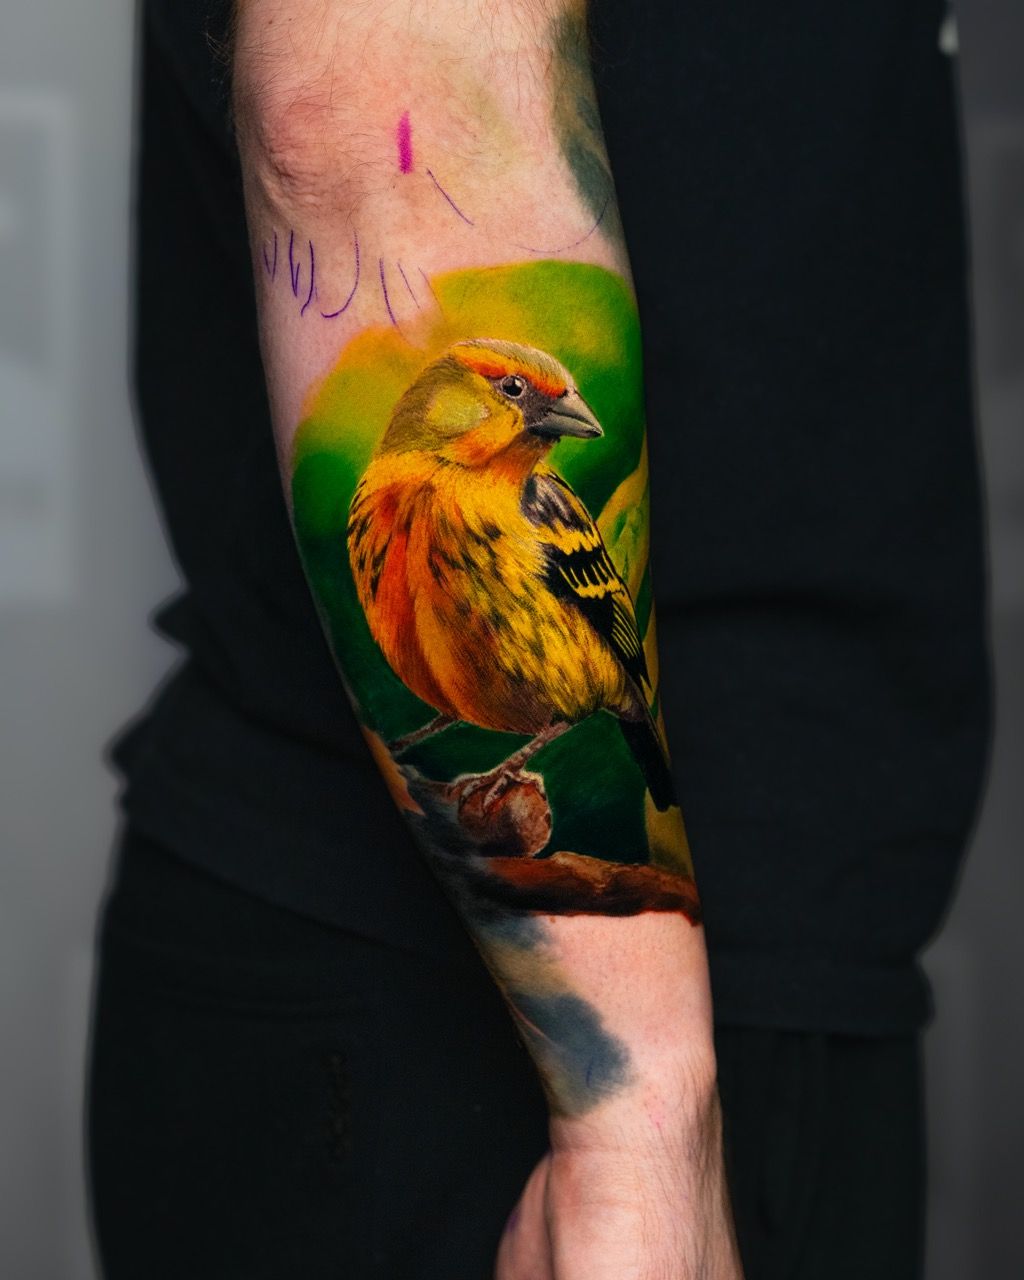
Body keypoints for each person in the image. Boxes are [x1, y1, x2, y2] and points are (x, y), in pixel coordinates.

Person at [86, 0, 990, 1276]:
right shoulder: (445, 498)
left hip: (736, 953)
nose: (549, 419)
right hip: (508, 1022)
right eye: (520, 394)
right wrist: (634, 1117)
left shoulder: (510, 494)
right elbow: (363, 118)